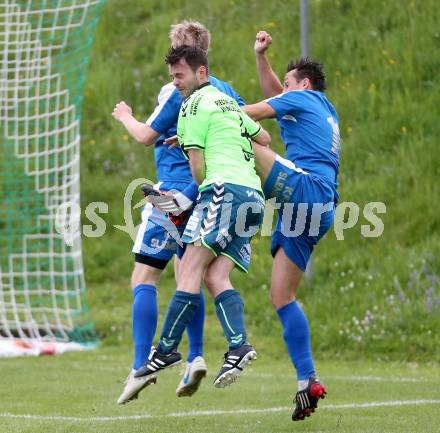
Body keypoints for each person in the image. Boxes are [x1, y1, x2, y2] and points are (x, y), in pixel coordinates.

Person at [111, 21, 244, 404]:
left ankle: (141, 365)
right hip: (209, 195)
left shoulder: (175, 92)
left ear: (183, 58)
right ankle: (197, 354)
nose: (174, 71)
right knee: (191, 274)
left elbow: (144, 135)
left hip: (172, 196)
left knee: (145, 276)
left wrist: (124, 115)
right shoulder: (225, 90)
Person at [134, 45, 270, 389]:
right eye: (173, 77)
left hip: (223, 191)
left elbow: (197, 168)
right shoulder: (227, 104)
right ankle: (238, 346)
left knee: (188, 268)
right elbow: (265, 138)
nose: (176, 83)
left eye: (180, 75)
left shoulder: (192, 105)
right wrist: (215, 136)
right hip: (252, 196)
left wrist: (204, 185)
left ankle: (166, 350)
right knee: (215, 275)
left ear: (202, 73)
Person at [241, 31, 341, 421]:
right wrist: (261, 58)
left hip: (307, 189)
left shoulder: (302, 97)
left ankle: (206, 203)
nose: (282, 89)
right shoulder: (318, 105)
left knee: (243, 142)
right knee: (281, 297)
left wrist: (210, 108)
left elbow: (260, 109)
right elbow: (276, 96)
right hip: (318, 207)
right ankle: (307, 380)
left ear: (304, 84)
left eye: (287, 83)